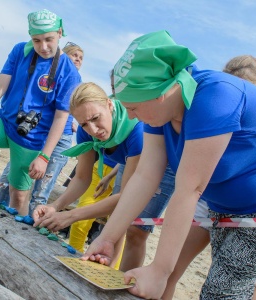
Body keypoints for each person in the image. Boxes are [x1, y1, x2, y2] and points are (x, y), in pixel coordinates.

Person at [81, 30, 256, 300]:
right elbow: (145, 176)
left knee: (222, 291)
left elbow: (190, 188)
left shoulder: (215, 97)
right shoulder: (161, 113)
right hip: (226, 207)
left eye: (134, 108)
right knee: (230, 285)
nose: (130, 116)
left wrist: (159, 271)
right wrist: (108, 237)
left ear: (159, 93)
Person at [33, 82, 174, 270]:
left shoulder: (137, 131)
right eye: (84, 124)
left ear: (109, 104)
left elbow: (128, 197)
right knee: (117, 220)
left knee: (135, 230)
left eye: (96, 118)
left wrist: (71, 215)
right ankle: (108, 272)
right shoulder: (87, 131)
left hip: (164, 165)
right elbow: (82, 179)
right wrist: (55, 206)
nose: (93, 130)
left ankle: (122, 281)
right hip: (128, 160)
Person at [0, 9, 81, 216]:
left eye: (49, 39)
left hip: (31, 139)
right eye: (36, 40)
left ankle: (15, 236)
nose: (43, 47)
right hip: (3, 121)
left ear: (60, 33)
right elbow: (0, 85)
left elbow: (62, 118)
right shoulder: (20, 51)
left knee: (18, 196)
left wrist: (44, 156)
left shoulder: (69, 72)